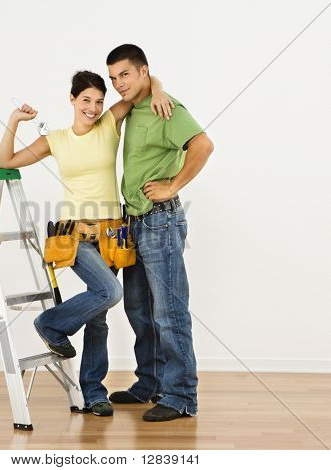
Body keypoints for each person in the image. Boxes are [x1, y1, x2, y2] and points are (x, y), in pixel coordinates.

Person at [0, 70, 172, 417]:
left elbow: (143, 84)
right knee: (109, 292)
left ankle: (94, 392)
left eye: (98, 101)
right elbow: (6, 161)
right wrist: (15, 119)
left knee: (99, 318)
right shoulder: (57, 139)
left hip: (112, 237)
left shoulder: (109, 124)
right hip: (75, 238)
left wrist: (160, 91)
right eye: (86, 100)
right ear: (72, 100)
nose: (93, 108)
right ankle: (49, 324)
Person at [106, 44, 214, 422]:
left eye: (125, 74)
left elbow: (203, 145)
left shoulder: (166, 108)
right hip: (134, 221)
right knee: (138, 308)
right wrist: (155, 85)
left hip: (160, 220)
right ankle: (149, 384)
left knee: (169, 312)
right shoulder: (136, 106)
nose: (119, 83)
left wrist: (172, 185)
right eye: (113, 77)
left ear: (142, 71)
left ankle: (181, 395)